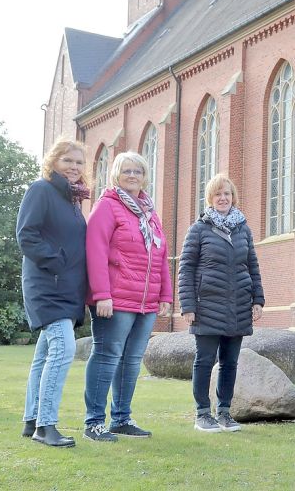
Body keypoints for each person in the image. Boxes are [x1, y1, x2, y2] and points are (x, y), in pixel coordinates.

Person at [83, 152, 172, 442]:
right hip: (115, 299)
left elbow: (159, 256)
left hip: (145, 302)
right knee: (108, 356)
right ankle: (94, 422)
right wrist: (101, 295)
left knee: (132, 360)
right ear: (116, 175)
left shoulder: (149, 212)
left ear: (145, 176)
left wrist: (165, 295)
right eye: (126, 171)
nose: (132, 175)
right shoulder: (107, 206)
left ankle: (121, 418)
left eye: (137, 171)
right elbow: (95, 252)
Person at [16, 139, 90, 448]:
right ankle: (46, 427)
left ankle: (31, 419)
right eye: (67, 161)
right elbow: (26, 235)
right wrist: (56, 261)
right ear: (53, 162)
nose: (74, 167)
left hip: (67, 289)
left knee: (45, 354)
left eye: (78, 162)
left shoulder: (73, 202)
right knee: (62, 352)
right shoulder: (41, 190)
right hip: (46, 285)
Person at [178, 174, 265, 433]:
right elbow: (186, 268)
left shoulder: (243, 229)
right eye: (218, 194)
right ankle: (202, 414)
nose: (223, 198)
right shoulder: (199, 229)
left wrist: (258, 299)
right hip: (207, 306)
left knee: (230, 362)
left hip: (238, 305)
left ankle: (224, 412)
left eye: (226, 193)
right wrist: (188, 305)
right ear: (210, 199)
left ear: (233, 197)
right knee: (204, 361)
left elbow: (252, 266)